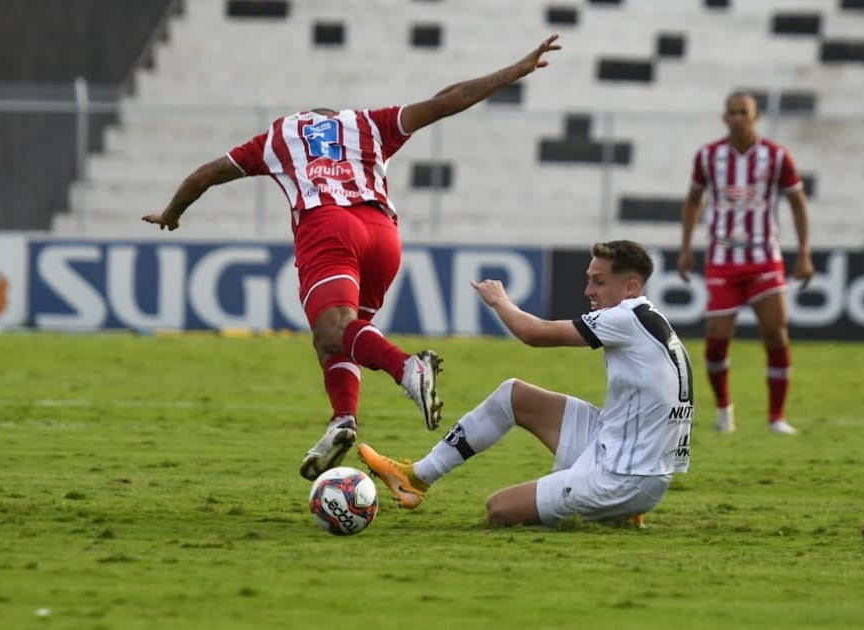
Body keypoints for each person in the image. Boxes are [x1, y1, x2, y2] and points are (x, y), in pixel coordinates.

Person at [142, 35, 563, 481]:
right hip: (383, 234)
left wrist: (173, 213)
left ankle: (407, 368)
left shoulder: (280, 135)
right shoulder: (367, 123)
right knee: (334, 337)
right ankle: (342, 420)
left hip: (328, 228)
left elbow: (206, 174)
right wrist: (515, 70)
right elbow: (446, 102)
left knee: (335, 328)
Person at [359, 240, 694, 528]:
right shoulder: (648, 319)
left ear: (631, 287)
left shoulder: (625, 317)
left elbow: (533, 333)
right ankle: (415, 478)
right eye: (589, 280)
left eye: (599, 282)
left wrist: (498, 300)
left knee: (499, 510)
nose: (588, 291)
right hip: (624, 452)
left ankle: (614, 510)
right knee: (514, 395)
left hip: (625, 477)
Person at [677, 91, 814, 435]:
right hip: (723, 258)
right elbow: (694, 201)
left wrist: (805, 252)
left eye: (744, 112)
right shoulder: (709, 156)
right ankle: (724, 409)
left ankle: (776, 417)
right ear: (725, 118)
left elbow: (798, 202)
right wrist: (686, 247)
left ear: (755, 117)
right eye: (732, 112)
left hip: (764, 257)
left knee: (776, 335)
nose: (738, 117)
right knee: (716, 342)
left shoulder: (777, 156)